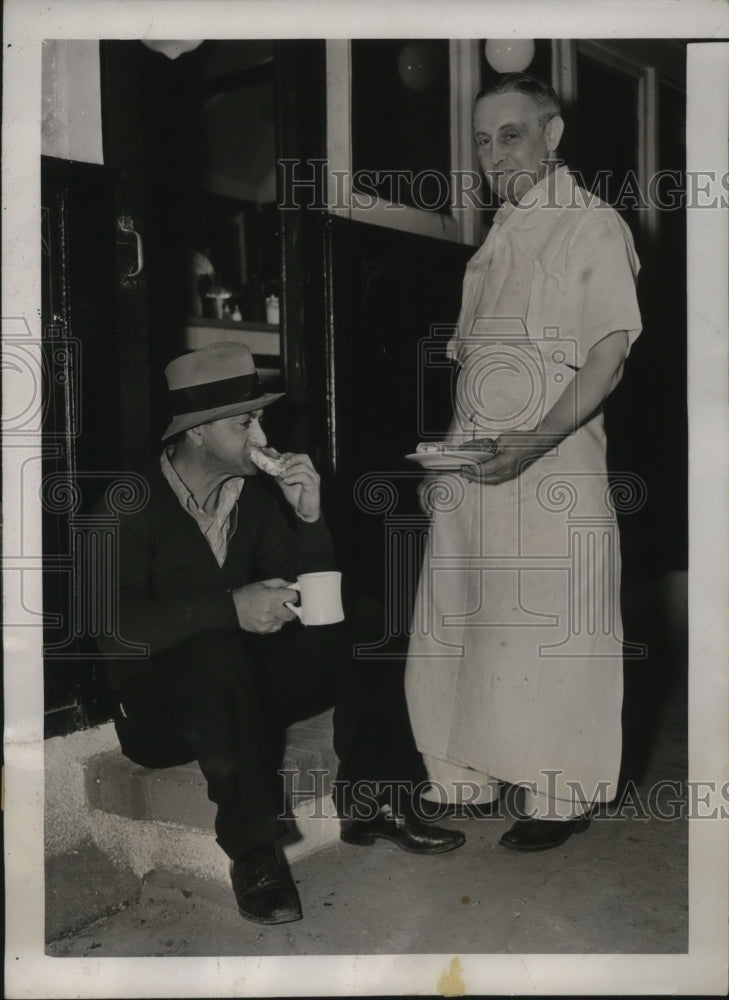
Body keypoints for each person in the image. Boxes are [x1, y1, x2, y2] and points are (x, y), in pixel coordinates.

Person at [95, 341, 464, 926]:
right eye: (246, 421)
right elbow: (112, 628)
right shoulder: (127, 505)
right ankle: (254, 852)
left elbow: (320, 606)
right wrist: (228, 608)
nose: (261, 433)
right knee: (216, 649)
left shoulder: (255, 500)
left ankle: (377, 802)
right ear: (196, 433)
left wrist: (310, 516)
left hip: (240, 692)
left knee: (365, 622)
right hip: (158, 711)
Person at [405, 73, 642, 851]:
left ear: (552, 135)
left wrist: (531, 443)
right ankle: (462, 776)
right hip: (474, 467)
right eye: (480, 139)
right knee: (462, 618)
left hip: (552, 463)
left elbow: (606, 360)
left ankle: (557, 795)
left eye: (509, 134)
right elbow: (476, 359)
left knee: (554, 628)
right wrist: (448, 462)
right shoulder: (496, 235)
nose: (491, 152)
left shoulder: (591, 226)